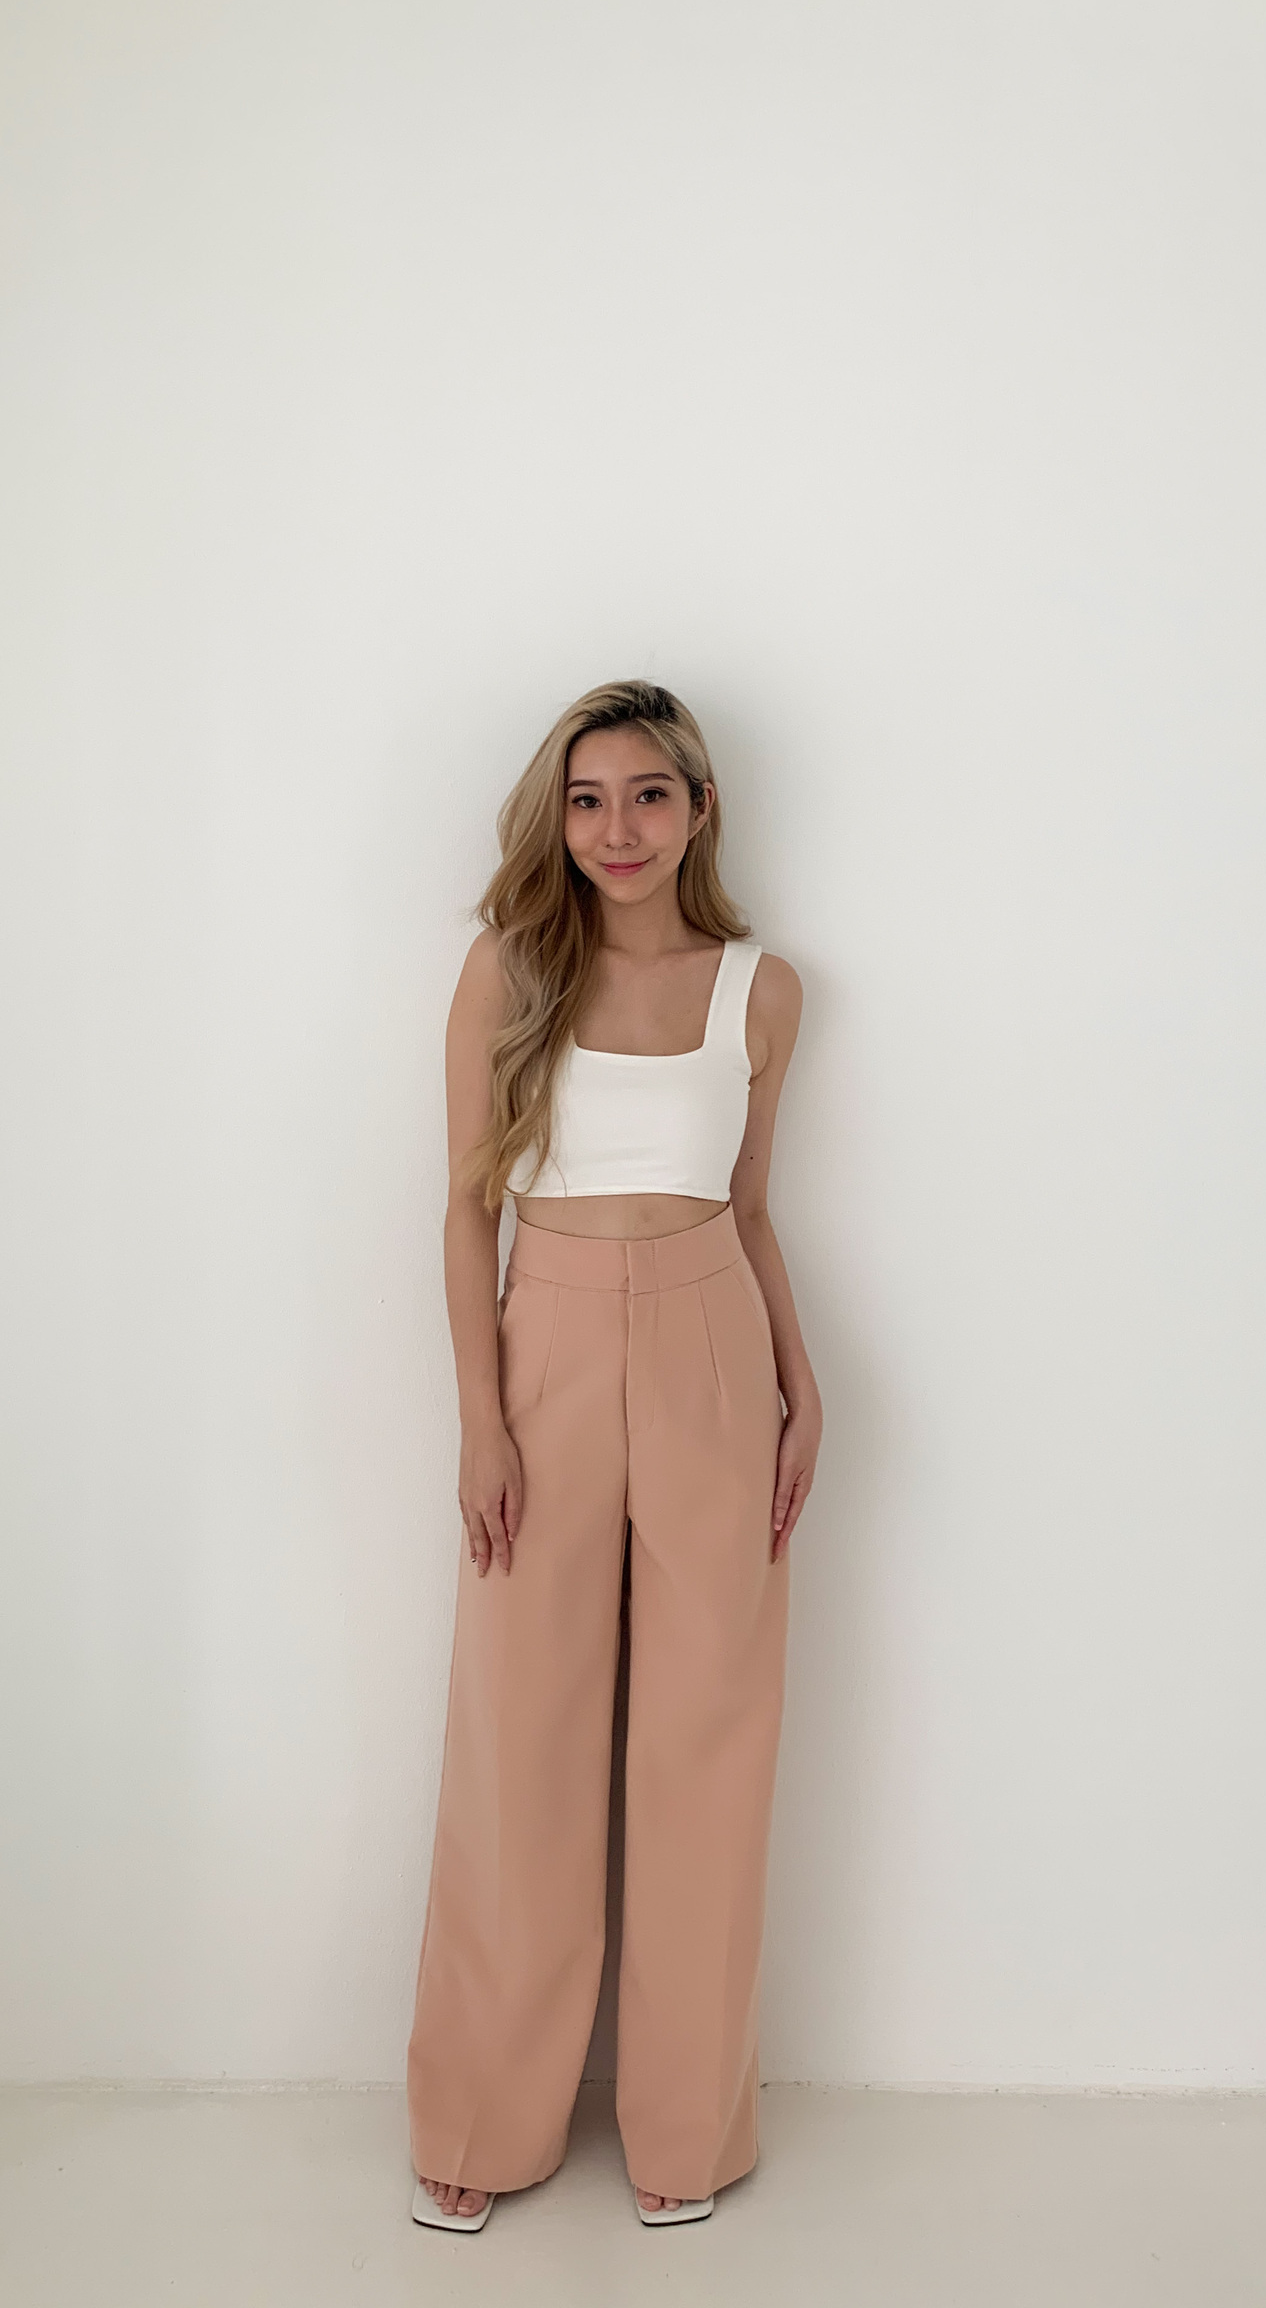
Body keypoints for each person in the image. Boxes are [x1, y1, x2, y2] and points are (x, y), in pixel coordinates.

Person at [407, 679, 822, 2231]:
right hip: (552, 1347)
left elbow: (753, 1207)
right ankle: (481, 2115)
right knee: (520, 1738)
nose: (617, 828)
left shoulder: (763, 992)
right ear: (557, 816)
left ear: (700, 809)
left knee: (710, 1740)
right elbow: (468, 1210)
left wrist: (802, 1384)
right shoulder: (509, 965)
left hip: (715, 1340)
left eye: (649, 795)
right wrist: (483, 1418)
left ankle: (685, 2136)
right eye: (587, 799)